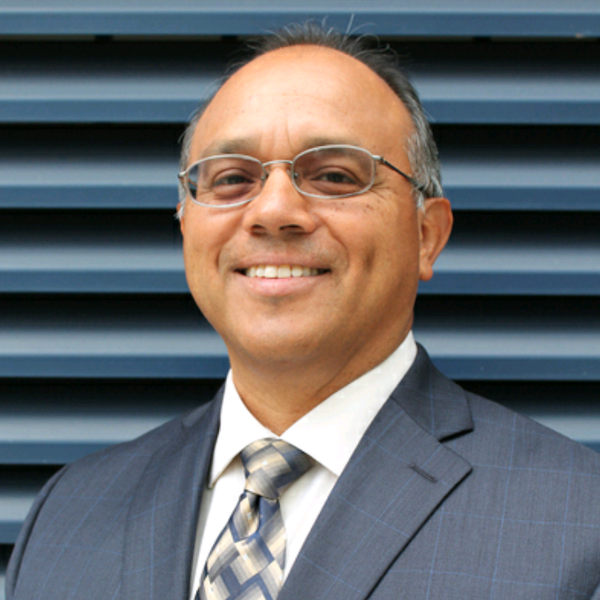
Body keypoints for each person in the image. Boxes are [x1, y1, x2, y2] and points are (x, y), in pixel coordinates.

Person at [6, 23, 600, 600]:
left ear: (427, 235)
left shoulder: (578, 518)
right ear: (186, 226)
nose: (273, 211)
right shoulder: (69, 515)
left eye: (335, 175)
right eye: (233, 178)